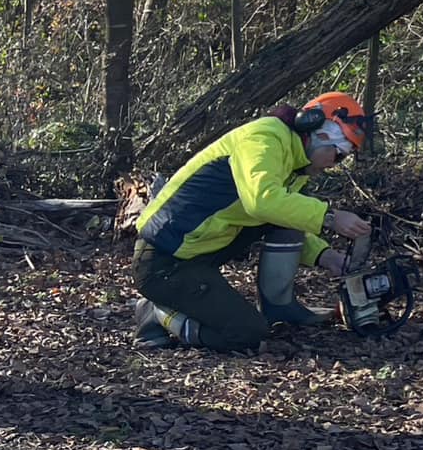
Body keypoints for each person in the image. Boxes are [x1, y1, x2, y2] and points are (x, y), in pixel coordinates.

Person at [130, 91, 374, 352]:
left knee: (286, 215)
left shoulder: (295, 162)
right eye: (338, 154)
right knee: (246, 334)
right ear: (317, 132)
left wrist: (326, 256)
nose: (334, 163)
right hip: (164, 262)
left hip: (201, 254)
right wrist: (330, 217)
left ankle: (280, 309)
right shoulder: (264, 137)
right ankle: (157, 313)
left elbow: (284, 215)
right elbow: (262, 201)